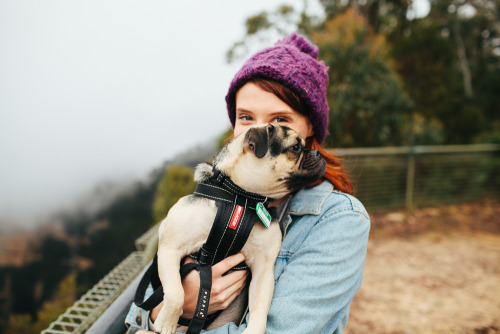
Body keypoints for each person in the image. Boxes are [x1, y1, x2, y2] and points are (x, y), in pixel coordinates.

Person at [125, 32, 370, 334]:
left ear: (309, 128)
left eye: (281, 119)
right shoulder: (211, 199)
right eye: (245, 117)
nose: (258, 132)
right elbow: (142, 308)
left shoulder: (339, 221)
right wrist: (172, 306)